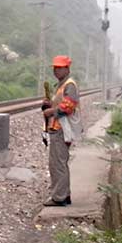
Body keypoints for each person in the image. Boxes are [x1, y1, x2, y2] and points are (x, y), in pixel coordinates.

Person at [41, 55, 83, 206]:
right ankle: (64, 195)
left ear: (67, 68)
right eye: (55, 68)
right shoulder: (61, 85)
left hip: (62, 128)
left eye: (59, 68)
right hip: (58, 127)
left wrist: (51, 111)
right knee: (58, 162)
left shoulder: (69, 85)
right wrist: (50, 103)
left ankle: (59, 197)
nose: (56, 71)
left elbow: (68, 106)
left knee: (58, 163)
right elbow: (61, 103)